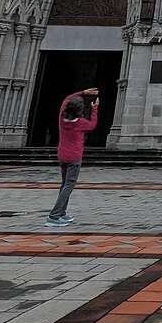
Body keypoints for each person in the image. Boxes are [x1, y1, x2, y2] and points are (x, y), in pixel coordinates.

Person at [47, 87, 98, 226]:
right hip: (74, 157)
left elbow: (66, 100)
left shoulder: (62, 118)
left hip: (62, 155)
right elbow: (92, 125)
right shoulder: (80, 123)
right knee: (69, 185)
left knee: (64, 185)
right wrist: (94, 109)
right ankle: (54, 216)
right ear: (80, 110)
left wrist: (82, 92)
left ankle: (61, 213)